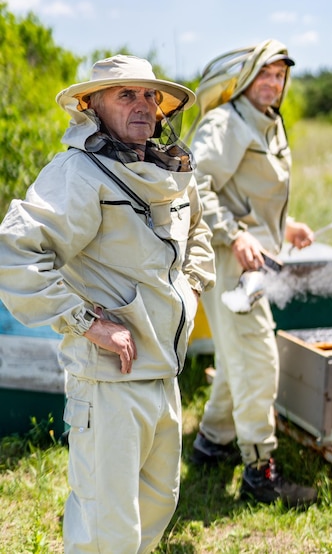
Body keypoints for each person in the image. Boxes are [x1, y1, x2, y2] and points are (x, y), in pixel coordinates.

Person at [0, 55, 215, 553]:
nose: (143, 106)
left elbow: (200, 229)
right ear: (91, 106)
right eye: (126, 95)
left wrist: (195, 286)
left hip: (163, 372)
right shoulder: (78, 173)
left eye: (149, 96)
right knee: (106, 532)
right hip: (109, 380)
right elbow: (15, 253)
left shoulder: (166, 170)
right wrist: (88, 322)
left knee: (158, 504)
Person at [188, 39, 318, 507]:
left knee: (235, 353)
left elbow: (253, 194)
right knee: (259, 359)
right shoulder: (227, 122)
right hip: (230, 261)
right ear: (246, 76)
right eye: (266, 73)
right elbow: (193, 181)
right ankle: (261, 471)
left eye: (281, 75)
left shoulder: (267, 125)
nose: (274, 82)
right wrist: (234, 234)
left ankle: (211, 442)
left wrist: (287, 227)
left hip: (252, 259)